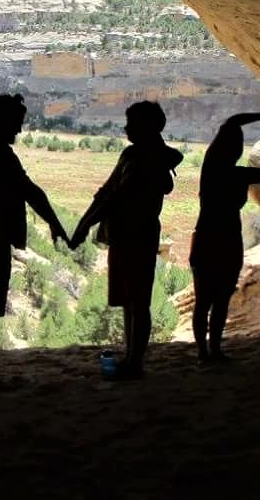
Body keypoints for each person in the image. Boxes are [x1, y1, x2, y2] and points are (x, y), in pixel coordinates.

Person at [70, 101, 183, 380]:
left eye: (132, 123)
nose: (126, 127)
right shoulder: (140, 155)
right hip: (129, 234)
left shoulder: (144, 158)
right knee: (132, 300)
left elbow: (111, 196)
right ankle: (131, 358)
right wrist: (84, 223)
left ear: (146, 127)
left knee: (137, 300)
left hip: (137, 235)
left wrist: (84, 225)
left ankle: (135, 362)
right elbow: (108, 192)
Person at [0, 93, 69, 388]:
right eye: (17, 122)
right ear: (2, 120)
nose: (20, 130)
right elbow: (31, 192)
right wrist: (56, 224)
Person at [191, 112, 260, 363]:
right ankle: (216, 351)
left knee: (203, 300)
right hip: (229, 240)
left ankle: (203, 352)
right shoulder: (241, 175)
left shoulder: (210, 169)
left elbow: (231, 121)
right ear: (237, 149)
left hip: (206, 237)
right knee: (221, 299)